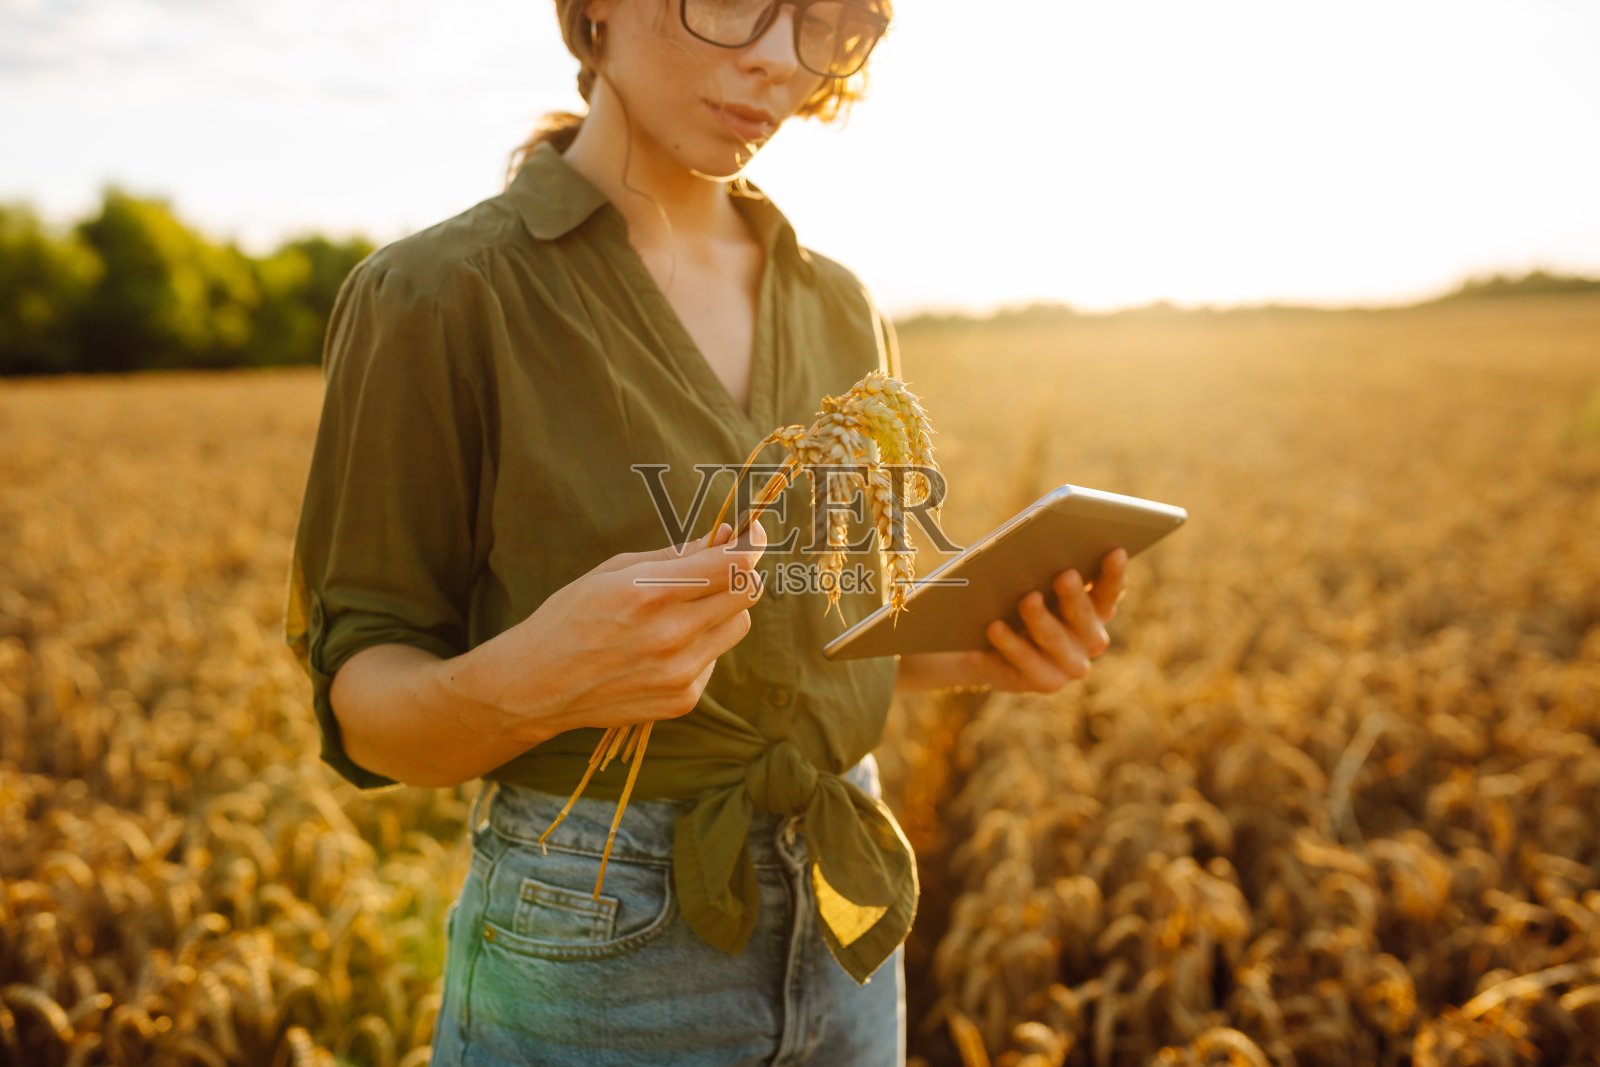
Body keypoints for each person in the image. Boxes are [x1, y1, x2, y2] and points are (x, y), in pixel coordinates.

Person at [283, 0, 1130, 1063]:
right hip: (595, 936)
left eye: (826, 24)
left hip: (847, 906)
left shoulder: (840, 306)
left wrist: (949, 646)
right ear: (594, 11)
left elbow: (797, 641)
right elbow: (363, 706)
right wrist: (533, 678)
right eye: (735, 3)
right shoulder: (436, 295)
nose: (781, 61)